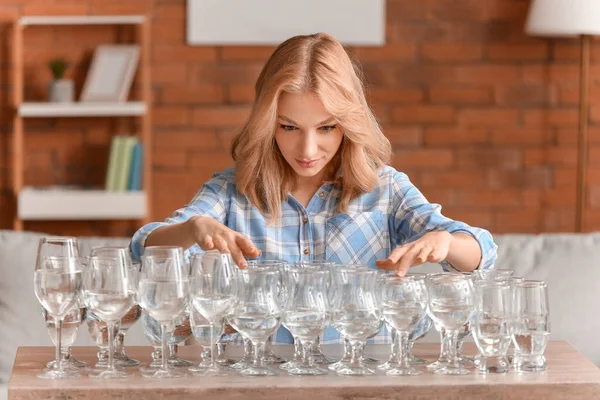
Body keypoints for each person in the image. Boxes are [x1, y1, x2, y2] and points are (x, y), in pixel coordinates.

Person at [130, 33, 497, 343]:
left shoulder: (384, 189)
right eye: (289, 127)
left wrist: (447, 243)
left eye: (326, 128)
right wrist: (192, 228)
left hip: (366, 383)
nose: (307, 150)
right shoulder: (231, 191)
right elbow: (144, 248)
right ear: (267, 122)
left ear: (349, 124)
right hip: (259, 383)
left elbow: (481, 253)